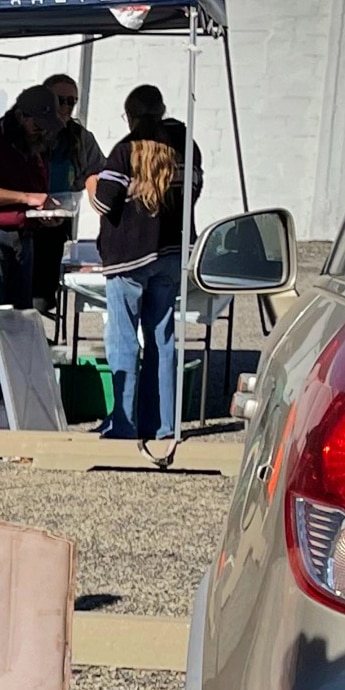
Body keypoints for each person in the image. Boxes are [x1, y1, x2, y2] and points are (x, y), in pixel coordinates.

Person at [88, 85, 204, 440]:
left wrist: (91, 182)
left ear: (131, 115)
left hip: (128, 258)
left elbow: (105, 203)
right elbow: (195, 190)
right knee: (163, 338)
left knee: (124, 340)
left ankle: (124, 422)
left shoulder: (125, 150)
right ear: (163, 109)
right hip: (171, 253)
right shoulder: (186, 146)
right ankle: (164, 424)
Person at [0, 84, 68, 425]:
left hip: (24, 238)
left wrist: (44, 213)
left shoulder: (35, 146)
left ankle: (13, 405)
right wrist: (27, 198)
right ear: (21, 115)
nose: (42, 131)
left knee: (19, 323)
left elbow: (34, 195)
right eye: (37, 124)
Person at [29, 73, 106, 304]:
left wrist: (90, 195)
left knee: (40, 299)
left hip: (55, 226)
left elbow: (97, 171)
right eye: (59, 100)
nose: (65, 107)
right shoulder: (23, 128)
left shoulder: (80, 137)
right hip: (19, 226)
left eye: (71, 101)